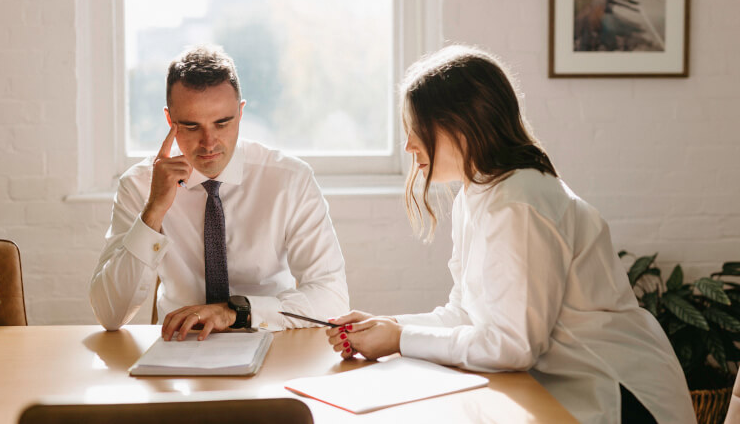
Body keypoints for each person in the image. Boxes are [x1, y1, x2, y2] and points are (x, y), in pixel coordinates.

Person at [325, 45, 696, 424]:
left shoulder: (518, 204)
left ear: (461, 126)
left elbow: (513, 346)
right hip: (564, 389)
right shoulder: (477, 193)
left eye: (418, 130)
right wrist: (387, 327)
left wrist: (400, 339)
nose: (408, 146)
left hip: (620, 396)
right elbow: (465, 312)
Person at [90, 45, 349, 340]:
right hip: (180, 350)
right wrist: (153, 212)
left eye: (222, 123)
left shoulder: (289, 180)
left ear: (240, 113)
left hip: (274, 340)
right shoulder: (139, 185)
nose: (209, 143)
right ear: (169, 121)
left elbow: (333, 299)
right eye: (190, 126)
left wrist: (237, 313)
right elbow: (110, 314)